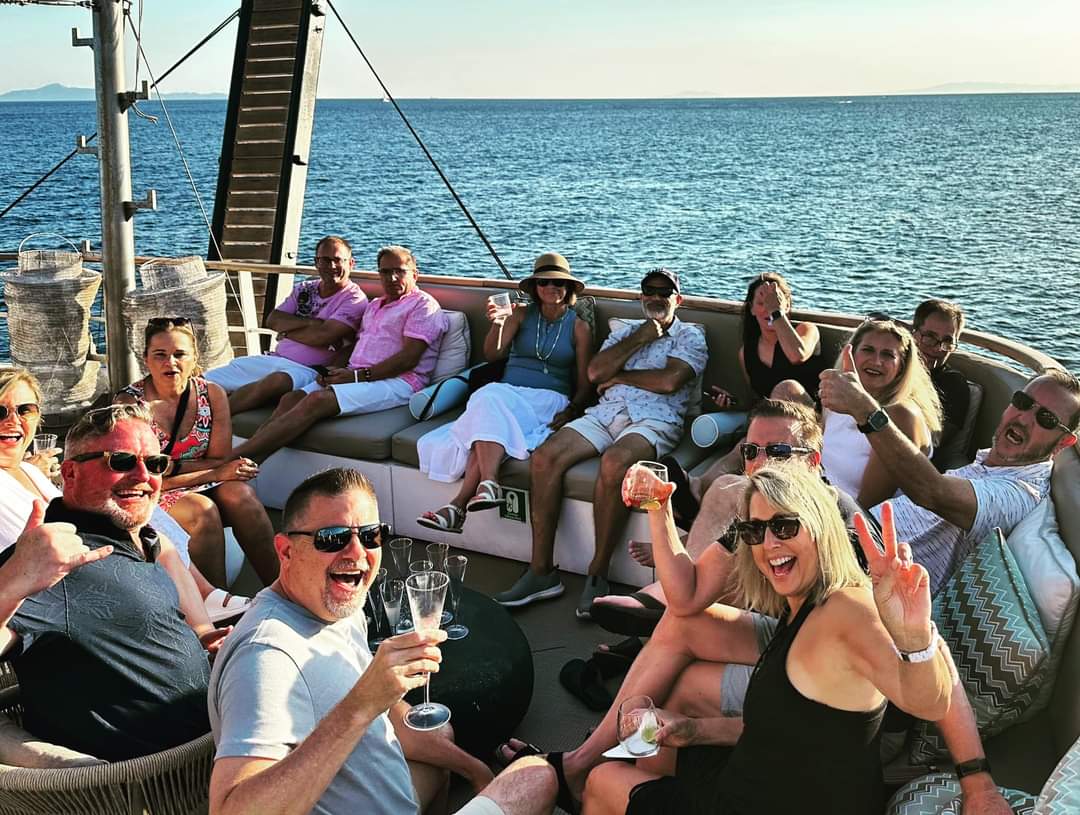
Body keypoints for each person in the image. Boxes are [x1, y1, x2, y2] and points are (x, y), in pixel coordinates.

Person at [576, 465, 952, 814]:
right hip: (765, 782)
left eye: (784, 526)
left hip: (764, 801)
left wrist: (914, 635)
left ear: (821, 526)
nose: (769, 543)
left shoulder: (847, 610)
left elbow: (929, 702)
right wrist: (693, 730)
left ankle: (579, 770)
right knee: (654, 755)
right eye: (755, 532)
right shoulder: (801, 606)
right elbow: (785, 725)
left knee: (602, 782)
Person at [207, 468, 558, 815]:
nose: (357, 554)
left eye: (371, 535)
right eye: (332, 538)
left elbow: (385, 716)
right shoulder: (266, 657)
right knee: (536, 777)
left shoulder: (338, 609)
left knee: (440, 736)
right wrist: (360, 705)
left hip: (386, 796)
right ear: (285, 551)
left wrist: (473, 768)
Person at [0, 403, 213, 761]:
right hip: (157, 776)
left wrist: (201, 645)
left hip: (211, 744)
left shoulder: (135, 539)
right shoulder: (54, 560)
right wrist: (10, 583)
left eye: (156, 463)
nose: (144, 476)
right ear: (70, 473)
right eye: (121, 461)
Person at [493, 268, 707, 617]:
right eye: (649, 291)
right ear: (641, 297)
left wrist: (620, 376)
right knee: (545, 457)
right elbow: (594, 373)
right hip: (607, 412)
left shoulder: (690, 336)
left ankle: (598, 572)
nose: (656, 297)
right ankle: (541, 572)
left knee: (615, 462)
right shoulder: (625, 332)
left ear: (677, 300)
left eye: (664, 292)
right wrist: (640, 337)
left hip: (656, 418)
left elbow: (669, 381)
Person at [0, 366, 240, 624]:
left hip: (101, 570)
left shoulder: (28, 470)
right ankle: (202, 602)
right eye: (1, 411)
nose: (13, 420)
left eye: (25, 410)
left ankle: (203, 600)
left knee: (141, 512)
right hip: (64, 597)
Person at [821, 363, 1080, 595]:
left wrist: (866, 411)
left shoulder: (1021, 493)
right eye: (1023, 402)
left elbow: (932, 492)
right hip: (854, 538)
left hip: (863, 571)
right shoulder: (995, 463)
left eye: (1046, 419)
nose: (1023, 418)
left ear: (1064, 442)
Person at [416, 252, 593, 533]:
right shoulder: (520, 314)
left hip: (548, 399)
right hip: (508, 392)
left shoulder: (579, 327)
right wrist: (498, 323)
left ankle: (461, 503)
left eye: (558, 282)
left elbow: (585, 383)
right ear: (535, 288)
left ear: (568, 288)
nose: (551, 287)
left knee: (487, 407)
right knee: (488, 404)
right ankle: (483, 488)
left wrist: (572, 410)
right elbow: (493, 354)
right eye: (544, 282)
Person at [230, 245, 448, 462]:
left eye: (399, 271)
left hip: (400, 381)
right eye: (385, 272)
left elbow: (408, 358)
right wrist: (332, 369)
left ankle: (233, 460)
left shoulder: (423, 305)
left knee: (317, 400)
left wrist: (357, 376)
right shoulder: (375, 306)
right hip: (360, 375)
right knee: (291, 398)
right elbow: (356, 345)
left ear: (415, 274)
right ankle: (249, 464)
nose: (392, 278)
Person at [117, 318, 279, 589]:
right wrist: (214, 473)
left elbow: (219, 459)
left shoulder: (211, 395)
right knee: (203, 512)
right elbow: (141, 477)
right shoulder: (130, 404)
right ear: (146, 360)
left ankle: (281, 591)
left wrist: (179, 467)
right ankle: (218, 602)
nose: (170, 362)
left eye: (179, 354)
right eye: (160, 355)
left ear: (194, 358)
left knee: (243, 497)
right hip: (150, 489)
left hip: (197, 479)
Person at [205, 236, 368, 415]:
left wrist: (287, 332)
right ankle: (189, 413)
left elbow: (322, 337)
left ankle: (210, 420)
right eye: (325, 260)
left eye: (338, 260)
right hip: (274, 358)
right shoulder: (304, 288)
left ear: (351, 263)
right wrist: (312, 323)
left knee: (275, 381)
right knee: (205, 381)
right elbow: (273, 320)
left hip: (308, 370)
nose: (331, 266)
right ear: (316, 263)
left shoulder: (354, 299)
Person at [819, 319, 941, 508]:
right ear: (851, 354)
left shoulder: (902, 415)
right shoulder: (837, 399)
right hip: (820, 499)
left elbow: (867, 506)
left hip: (854, 518)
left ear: (901, 367)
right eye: (868, 350)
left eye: (888, 355)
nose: (876, 361)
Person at [708, 271, 826, 408]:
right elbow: (756, 402)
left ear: (786, 306)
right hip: (770, 416)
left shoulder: (806, 330)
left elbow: (797, 355)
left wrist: (776, 312)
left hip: (808, 415)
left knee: (787, 388)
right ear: (752, 309)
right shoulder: (746, 353)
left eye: (774, 302)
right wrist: (734, 403)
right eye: (761, 303)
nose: (768, 308)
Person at [912, 298, 972, 467]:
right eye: (930, 337)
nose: (938, 348)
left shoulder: (953, 385)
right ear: (913, 334)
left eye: (947, 341)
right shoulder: (890, 368)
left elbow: (933, 441)